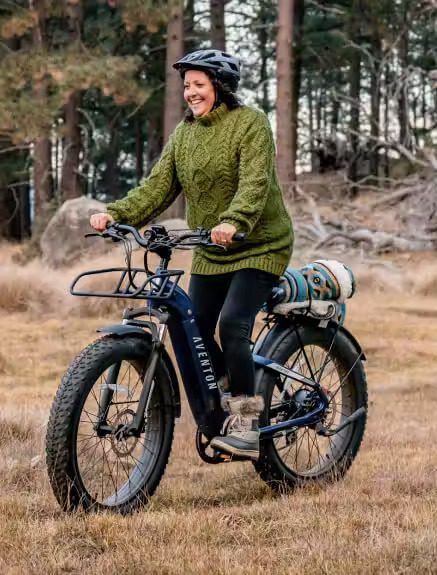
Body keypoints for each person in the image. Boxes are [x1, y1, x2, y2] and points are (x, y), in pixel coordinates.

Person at [90, 49, 293, 460]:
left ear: (219, 87)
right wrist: (117, 213)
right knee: (196, 325)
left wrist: (234, 220)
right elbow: (157, 186)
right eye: (187, 86)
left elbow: (255, 182)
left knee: (233, 325)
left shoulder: (249, 123)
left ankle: (249, 422)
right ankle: (228, 389)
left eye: (199, 84)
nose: (190, 93)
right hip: (210, 247)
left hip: (257, 243)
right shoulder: (184, 135)